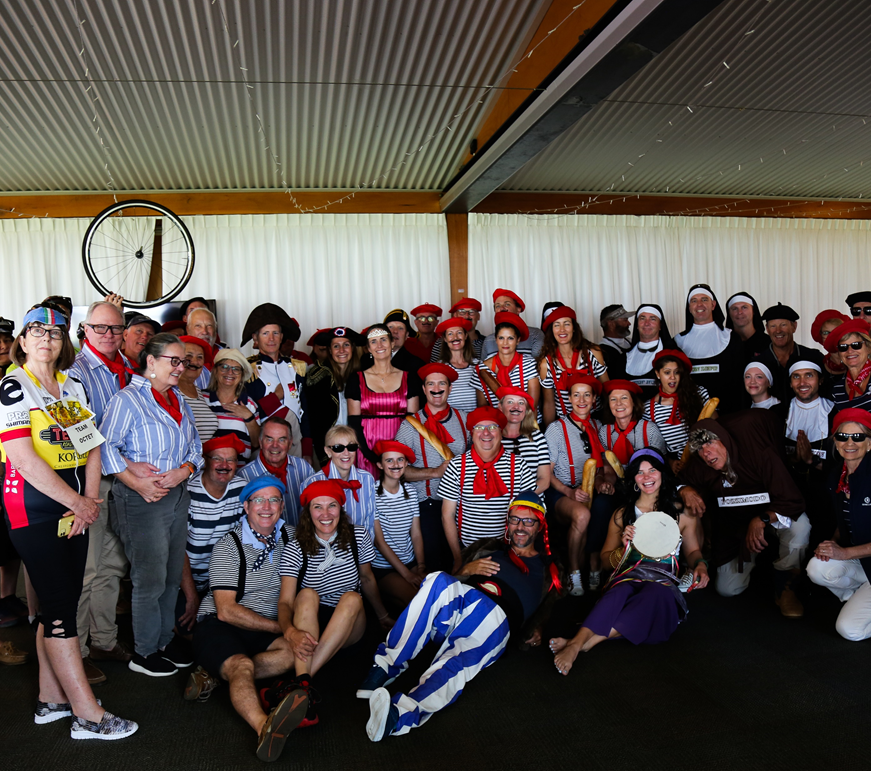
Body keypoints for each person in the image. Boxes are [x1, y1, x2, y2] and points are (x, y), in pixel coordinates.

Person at [0, 305, 137, 739]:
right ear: (23, 340)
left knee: (58, 605)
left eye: (56, 334)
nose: (46, 339)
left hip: (75, 507)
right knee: (60, 613)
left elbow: (92, 446)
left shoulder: (70, 384)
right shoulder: (12, 387)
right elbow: (22, 459)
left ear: (65, 343)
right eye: (37, 331)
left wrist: (90, 499)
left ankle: (50, 699)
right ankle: (87, 714)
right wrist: (79, 502)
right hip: (33, 511)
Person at [358, 491, 564, 740]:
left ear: (540, 526)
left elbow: (547, 607)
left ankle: (396, 717)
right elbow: (452, 579)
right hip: (462, 600)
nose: (520, 527)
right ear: (507, 523)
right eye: (514, 520)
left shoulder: (549, 567)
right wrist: (466, 569)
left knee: (455, 663)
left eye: (528, 521)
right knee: (437, 579)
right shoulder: (490, 546)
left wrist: (537, 627)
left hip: (495, 618)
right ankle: (386, 666)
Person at [550, 449, 709, 675]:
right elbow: (606, 561)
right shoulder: (622, 515)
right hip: (628, 575)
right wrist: (623, 548)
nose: (647, 477)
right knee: (617, 593)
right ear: (634, 479)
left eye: (652, 470)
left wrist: (701, 564)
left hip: (662, 582)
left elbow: (693, 551)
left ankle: (583, 642)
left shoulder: (681, 514)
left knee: (656, 595)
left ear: (662, 474)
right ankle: (579, 644)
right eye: (640, 473)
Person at [100, 333, 204, 676]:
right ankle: (144, 651)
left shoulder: (179, 401)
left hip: (176, 494)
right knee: (150, 578)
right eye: (173, 361)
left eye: (183, 361)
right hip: (141, 500)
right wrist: (136, 481)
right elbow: (104, 448)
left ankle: (163, 638)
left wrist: (182, 472)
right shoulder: (127, 400)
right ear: (151, 362)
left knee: (172, 574)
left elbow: (195, 450)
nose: (180, 367)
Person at [191, 476, 308, 761]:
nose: (267, 507)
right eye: (259, 500)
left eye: (274, 500)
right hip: (221, 623)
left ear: (282, 505)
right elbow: (226, 610)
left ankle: (216, 675)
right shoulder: (228, 545)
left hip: (266, 626)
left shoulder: (293, 537)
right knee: (241, 664)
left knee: (296, 654)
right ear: (246, 506)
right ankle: (263, 727)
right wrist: (283, 628)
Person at [273, 479, 390, 729]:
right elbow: (285, 602)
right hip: (312, 623)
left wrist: (382, 616)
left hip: (350, 621)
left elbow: (367, 579)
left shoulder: (358, 535)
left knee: (351, 597)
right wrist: (290, 631)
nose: (325, 514)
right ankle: (303, 690)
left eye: (332, 506)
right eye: (318, 507)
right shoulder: (296, 546)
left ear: (341, 509)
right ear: (308, 512)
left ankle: (297, 683)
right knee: (305, 595)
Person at [679, 414, 810, 617]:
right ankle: (755, 566)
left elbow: (792, 499)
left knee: (800, 526)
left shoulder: (758, 454)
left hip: (769, 520)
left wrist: (761, 519)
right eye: (701, 449)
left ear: (724, 440)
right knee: (727, 590)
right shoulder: (702, 465)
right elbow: (679, 480)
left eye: (711, 444)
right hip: (735, 530)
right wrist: (685, 489)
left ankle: (786, 585)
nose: (706, 453)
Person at [67, 300, 136, 683]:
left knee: (113, 564)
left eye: (114, 328)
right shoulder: (72, 373)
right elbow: (83, 438)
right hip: (92, 479)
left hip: (122, 478)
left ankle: (104, 640)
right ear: (85, 331)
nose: (108, 335)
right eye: (100, 328)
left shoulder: (126, 369)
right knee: (87, 567)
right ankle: (74, 652)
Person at [439, 407, 538, 573]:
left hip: (507, 550)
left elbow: (530, 515)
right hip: (467, 550)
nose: (486, 433)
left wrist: (518, 554)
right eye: (479, 427)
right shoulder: (456, 466)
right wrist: (458, 559)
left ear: (501, 432)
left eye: (492, 427)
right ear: (471, 433)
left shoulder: (519, 465)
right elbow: (446, 515)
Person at [544, 374, 617, 595]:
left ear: (594, 398)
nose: (582, 399)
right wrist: (569, 491)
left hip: (589, 489)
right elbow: (546, 473)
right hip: (561, 491)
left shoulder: (597, 426)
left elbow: (606, 464)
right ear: (569, 398)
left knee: (605, 505)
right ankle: (573, 572)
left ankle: (594, 561)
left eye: (587, 394)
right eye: (576, 395)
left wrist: (603, 482)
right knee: (582, 515)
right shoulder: (556, 428)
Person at [395, 363, 470, 572]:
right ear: (424, 388)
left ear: (450, 388)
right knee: (437, 567)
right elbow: (397, 472)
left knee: (467, 563)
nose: (436, 388)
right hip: (428, 504)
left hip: (463, 504)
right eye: (431, 384)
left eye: (441, 383)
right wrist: (435, 472)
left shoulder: (465, 420)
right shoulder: (410, 424)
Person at [807, 409, 871, 641]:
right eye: (843, 437)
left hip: (861, 556)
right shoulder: (837, 475)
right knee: (817, 567)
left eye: (858, 437)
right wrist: (831, 544)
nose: (849, 443)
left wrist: (844, 553)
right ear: (835, 441)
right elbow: (845, 520)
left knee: (849, 630)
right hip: (863, 562)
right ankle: (859, 596)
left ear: (870, 443)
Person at [181, 435, 248, 638]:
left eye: (231, 460)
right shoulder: (188, 490)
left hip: (223, 581)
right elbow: (177, 549)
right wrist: (192, 597)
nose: (224, 465)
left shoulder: (242, 489)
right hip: (184, 580)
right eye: (217, 458)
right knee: (187, 630)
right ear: (206, 461)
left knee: (225, 628)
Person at [346, 324, 420, 476]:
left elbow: (414, 421)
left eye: (383, 340)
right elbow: (353, 422)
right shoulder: (356, 379)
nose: (379, 345)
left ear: (392, 343)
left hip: (400, 445)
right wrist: (369, 455)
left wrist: (402, 453)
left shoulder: (409, 377)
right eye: (373, 341)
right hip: (367, 446)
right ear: (368, 348)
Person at [241, 303, 311, 461]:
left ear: (282, 336)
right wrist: (276, 396)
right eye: (265, 333)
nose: (271, 339)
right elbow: (246, 413)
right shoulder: (247, 370)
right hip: (264, 441)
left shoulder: (296, 367)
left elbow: (304, 412)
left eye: (275, 333)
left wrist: (306, 450)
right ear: (255, 337)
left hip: (295, 441)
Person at [783, 361, 835, 549]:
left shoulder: (834, 413)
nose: (802, 382)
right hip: (789, 495)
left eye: (809, 375)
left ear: (820, 380)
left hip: (826, 499)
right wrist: (795, 460)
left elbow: (842, 463)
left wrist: (810, 460)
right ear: (790, 383)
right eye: (796, 376)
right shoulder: (780, 413)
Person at [371, 440, 425, 608]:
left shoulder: (411, 492)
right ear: (380, 465)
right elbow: (379, 542)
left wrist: (421, 565)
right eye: (389, 460)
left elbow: (415, 534)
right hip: (385, 567)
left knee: (435, 594)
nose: (395, 464)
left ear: (406, 463)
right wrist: (407, 575)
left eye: (400, 460)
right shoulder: (371, 494)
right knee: (415, 602)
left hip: (410, 561)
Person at [674, 284, 744, 413]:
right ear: (689, 308)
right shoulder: (677, 342)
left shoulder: (732, 338)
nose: (699, 304)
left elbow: (739, 381)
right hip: (689, 413)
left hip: (728, 412)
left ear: (713, 305)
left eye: (704, 299)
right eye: (694, 301)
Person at [301, 424, 378, 538]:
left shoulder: (367, 479)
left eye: (351, 447)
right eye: (338, 448)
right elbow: (307, 526)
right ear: (328, 451)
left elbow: (369, 523)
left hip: (361, 549)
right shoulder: (312, 482)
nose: (346, 453)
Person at [305, 326, 365, 466]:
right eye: (336, 346)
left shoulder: (364, 376)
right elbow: (312, 418)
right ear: (330, 350)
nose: (342, 350)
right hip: (328, 444)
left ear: (353, 348)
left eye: (346, 345)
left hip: (357, 445)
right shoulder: (317, 377)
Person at [538, 305, 608, 425]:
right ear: (552, 331)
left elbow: (607, 391)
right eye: (557, 325)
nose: (562, 330)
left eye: (566, 324)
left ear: (574, 328)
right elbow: (549, 404)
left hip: (596, 419)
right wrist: (549, 433)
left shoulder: (593, 353)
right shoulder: (546, 364)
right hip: (565, 423)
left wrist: (609, 423)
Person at [239, 417, 312, 527]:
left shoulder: (304, 468)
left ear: (290, 443)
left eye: (281, 440)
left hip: (301, 539)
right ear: (260, 442)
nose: (275, 445)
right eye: (269, 439)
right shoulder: (244, 476)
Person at [643, 349, 710, 459]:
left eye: (677, 372)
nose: (673, 377)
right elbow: (657, 447)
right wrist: (671, 462)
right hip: (678, 466)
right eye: (667, 372)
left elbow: (716, 427)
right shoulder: (648, 409)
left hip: (706, 457)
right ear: (657, 373)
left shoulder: (698, 393)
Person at [755, 304, 824, 404]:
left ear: (794, 327)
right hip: (770, 416)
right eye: (773, 326)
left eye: (783, 325)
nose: (778, 331)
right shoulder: (759, 363)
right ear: (767, 329)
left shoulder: (813, 356)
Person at [473, 312, 540, 409]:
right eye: (501, 338)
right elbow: (483, 409)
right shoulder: (481, 369)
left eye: (510, 338)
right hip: (496, 423)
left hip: (527, 422)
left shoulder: (529, 364)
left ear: (518, 340)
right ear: (496, 339)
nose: (505, 343)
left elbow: (532, 407)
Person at [204, 348, 261, 463]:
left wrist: (249, 418)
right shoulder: (202, 398)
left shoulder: (249, 404)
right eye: (224, 367)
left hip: (239, 472)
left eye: (236, 369)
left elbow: (256, 444)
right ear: (215, 371)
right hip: (206, 471)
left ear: (241, 376)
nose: (230, 373)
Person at [598, 380, 667, 465]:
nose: (618, 403)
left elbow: (660, 464)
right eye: (613, 399)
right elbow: (606, 467)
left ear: (633, 402)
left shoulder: (649, 430)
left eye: (624, 398)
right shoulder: (604, 432)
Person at [499, 386, 551, 494]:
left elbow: (544, 480)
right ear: (500, 407)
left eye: (521, 403)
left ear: (525, 410)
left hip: (530, 501)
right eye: (510, 402)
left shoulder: (537, 437)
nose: (516, 407)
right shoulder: (491, 437)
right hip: (499, 502)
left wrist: (520, 499)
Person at [623, 303, 675, 397]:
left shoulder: (674, 355)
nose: (647, 323)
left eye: (652, 319)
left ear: (660, 326)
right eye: (642, 318)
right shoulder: (622, 359)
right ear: (637, 325)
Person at [480, 289, 545, 359]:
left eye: (507, 304)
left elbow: (540, 365)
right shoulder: (488, 340)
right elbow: (483, 367)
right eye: (498, 306)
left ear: (518, 309)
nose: (502, 308)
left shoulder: (535, 334)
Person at [177, 336, 219, 442]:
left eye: (200, 357)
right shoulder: (170, 390)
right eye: (188, 356)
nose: (195, 362)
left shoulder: (199, 392)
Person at [433, 317, 479, 413]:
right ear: (445, 339)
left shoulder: (478, 364)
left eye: (459, 333)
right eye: (450, 334)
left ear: (466, 336)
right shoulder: (440, 367)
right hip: (451, 420)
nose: (455, 337)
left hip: (476, 421)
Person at [826, 319, 871, 414]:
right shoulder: (837, 389)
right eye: (843, 347)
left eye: (856, 345)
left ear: (868, 348)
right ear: (839, 354)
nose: (850, 351)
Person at [725, 291, 768, 360]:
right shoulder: (723, 343)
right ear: (729, 313)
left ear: (753, 311)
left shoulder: (769, 344)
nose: (739, 312)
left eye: (744, 307)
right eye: (735, 308)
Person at [186, 307, 220, 388]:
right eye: (198, 326)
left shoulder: (229, 357)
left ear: (215, 329)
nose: (204, 331)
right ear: (188, 330)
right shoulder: (180, 359)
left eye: (209, 326)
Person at [811, 309, 850, 376]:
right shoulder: (817, 363)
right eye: (826, 332)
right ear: (821, 336)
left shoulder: (858, 360)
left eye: (836, 331)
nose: (831, 336)